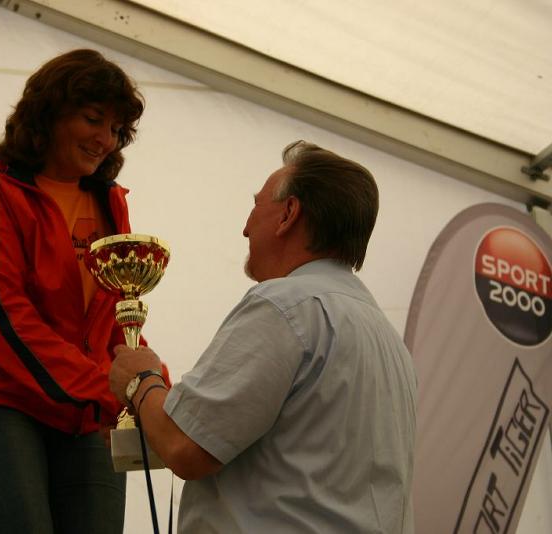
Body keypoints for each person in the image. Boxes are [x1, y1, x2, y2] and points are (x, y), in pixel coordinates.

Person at [109, 141, 418, 533]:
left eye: (256, 206)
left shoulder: (285, 306)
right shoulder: (389, 341)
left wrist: (141, 381)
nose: (245, 228)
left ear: (288, 214)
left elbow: (186, 447)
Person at [0, 49, 144, 534]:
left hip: (85, 412)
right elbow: (3, 318)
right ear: (48, 113)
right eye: (92, 119)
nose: (105, 139)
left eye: (116, 129)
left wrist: (148, 385)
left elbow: (118, 317)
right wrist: (108, 389)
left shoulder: (110, 203)